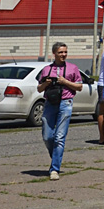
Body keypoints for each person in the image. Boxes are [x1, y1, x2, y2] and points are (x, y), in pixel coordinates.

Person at [36, 42, 83, 180]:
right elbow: (39, 88)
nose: (63, 55)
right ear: (54, 54)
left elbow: (79, 87)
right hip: (50, 103)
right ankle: (56, 156)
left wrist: (65, 82)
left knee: (59, 137)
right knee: (47, 136)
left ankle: (54, 169)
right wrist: (46, 83)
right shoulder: (46, 70)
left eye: (65, 52)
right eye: (60, 52)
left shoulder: (72, 68)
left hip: (66, 102)